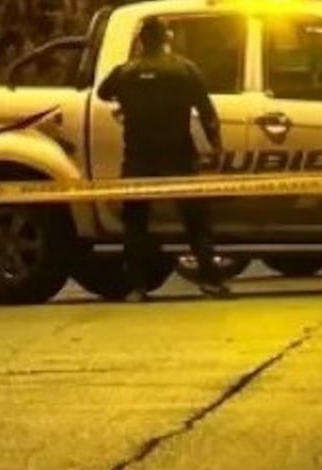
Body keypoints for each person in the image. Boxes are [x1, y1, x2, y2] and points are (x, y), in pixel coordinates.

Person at [96, 17, 229, 301]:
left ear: (141, 41)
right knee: (195, 219)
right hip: (178, 155)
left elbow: (102, 92)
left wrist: (127, 98)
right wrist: (216, 146)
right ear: (166, 38)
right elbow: (207, 112)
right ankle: (211, 280)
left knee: (135, 224)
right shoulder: (184, 70)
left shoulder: (127, 72)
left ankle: (136, 286)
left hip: (139, 157)